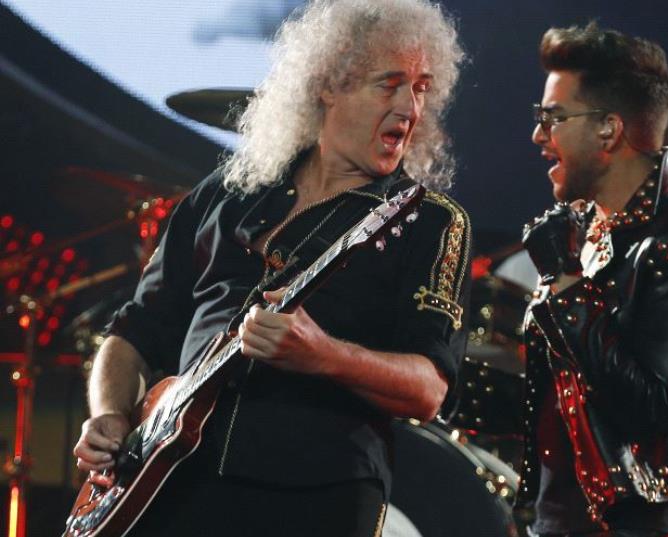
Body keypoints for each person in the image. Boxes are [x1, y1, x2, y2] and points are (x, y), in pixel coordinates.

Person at [72, 1, 469, 536]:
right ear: (329, 84)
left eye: (421, 87)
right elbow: (133, 330)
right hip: (167, 480)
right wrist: (110, 415)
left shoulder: (430, 223)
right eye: (389, 84)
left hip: (315, 495)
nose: (410, 108)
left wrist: (323, 356)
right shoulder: (226, 192)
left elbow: (428, 389)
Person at [515, 23, 668, 537]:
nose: (538, 136)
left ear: (607, 130)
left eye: (552, 118)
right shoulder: (583, 235)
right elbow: (562, 403)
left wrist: (566, 284)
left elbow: (647, 407)